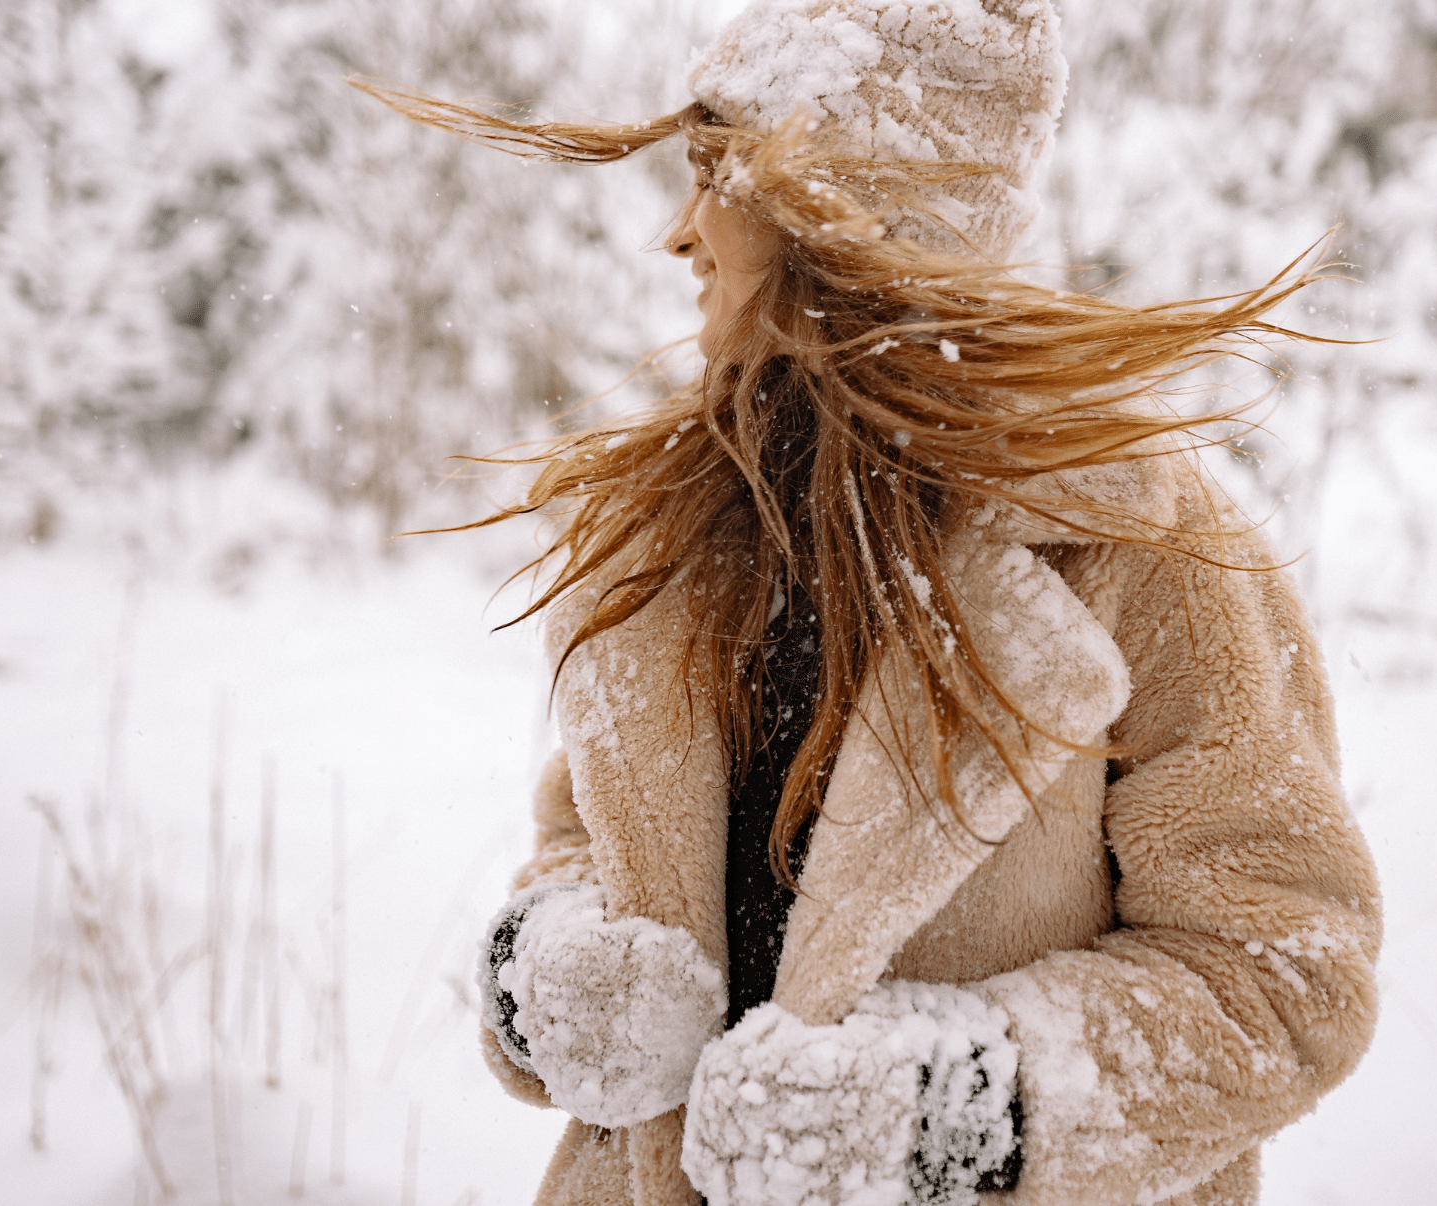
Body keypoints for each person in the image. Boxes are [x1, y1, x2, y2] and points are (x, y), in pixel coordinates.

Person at [357, 3, 1382, 1204]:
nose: (679, 235)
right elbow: (586, 840)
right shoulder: (687, 530)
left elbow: (1284, 972)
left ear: (846, 202)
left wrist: (946, 1112)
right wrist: (553, 974)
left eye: (713, 176)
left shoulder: (1136, 547)